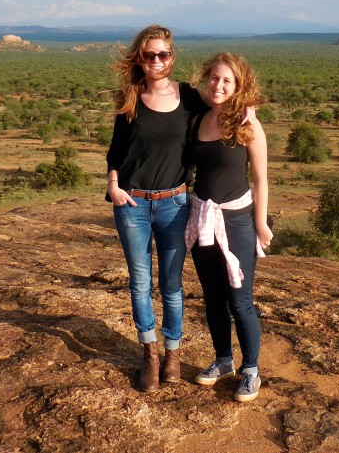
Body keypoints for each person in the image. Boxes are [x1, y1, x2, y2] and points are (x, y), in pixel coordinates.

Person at [106, 24, 207, 392]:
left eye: (163, 54)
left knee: (172, 285)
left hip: (174, 203)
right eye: (149, 55)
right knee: (138, 282)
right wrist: (113, 185)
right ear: (141, 58)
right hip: (132, 202)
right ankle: (149, 354)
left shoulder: (189, 96)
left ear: (172, 57)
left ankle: (173, 353)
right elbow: (117, 150)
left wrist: (250, 111)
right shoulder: (130, 97)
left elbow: (225, 103)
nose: (157, 60)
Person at [185, 52, 273, 403]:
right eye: (214, 78)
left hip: (236, 218)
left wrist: (261, 224)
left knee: (240, 301)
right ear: (206, 79)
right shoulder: (198, 120)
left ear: (239, 86)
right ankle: (224, 361)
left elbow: (262, 180)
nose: (219, 85)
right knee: (212, 298)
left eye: (227, 80)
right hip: (201, 217)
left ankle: (251, 370)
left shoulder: (247, 123)